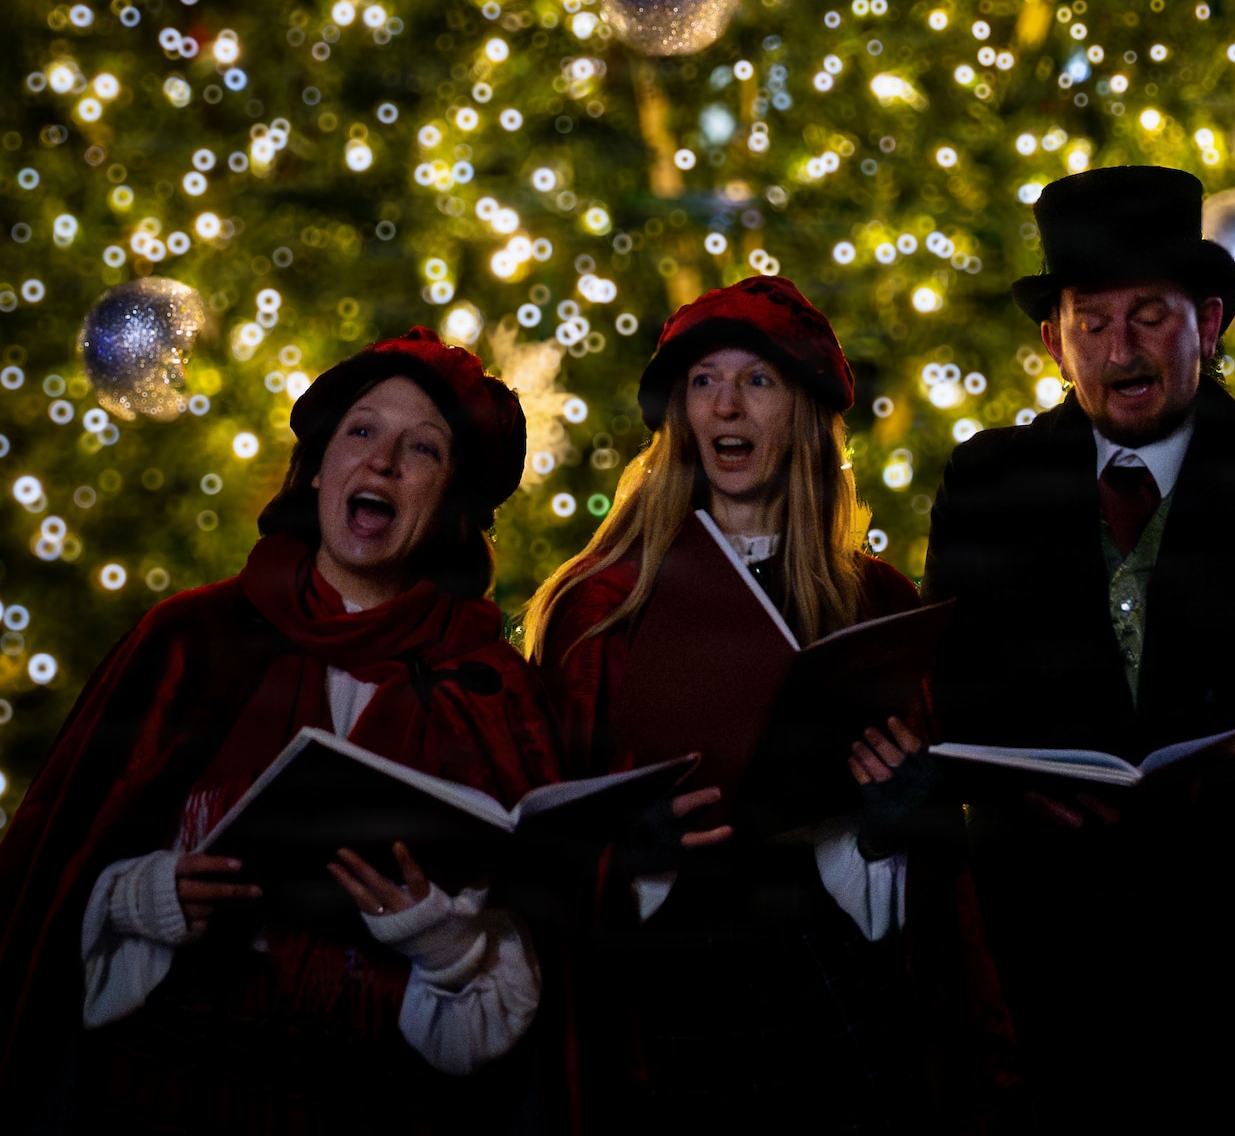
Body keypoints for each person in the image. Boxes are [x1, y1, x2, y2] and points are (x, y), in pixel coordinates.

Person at [0, 327, 563, 1131]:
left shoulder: (493, 693)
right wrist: (147, 895)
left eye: (423, 449)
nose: (381, 462)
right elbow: (51, 888)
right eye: (361, 431)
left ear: (455, 503)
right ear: (321, 464)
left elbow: (544, 986)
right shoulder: (190, 640)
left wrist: (444, 940)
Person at [922, 166, 1235, 1123]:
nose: (1122, 350)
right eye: (1093, 322)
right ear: (1055, 342)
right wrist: (1019, 773)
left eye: (1150, 316)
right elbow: (949, 687)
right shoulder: (988, 482)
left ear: (1206, 325)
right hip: (1039, 945)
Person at [524, 276, 1005, 1132]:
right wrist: (624, 855)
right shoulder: (600, 610)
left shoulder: (877, 602)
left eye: (759, 380)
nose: (728, 405)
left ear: (805, 415)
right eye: (704, 381)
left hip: (833, 990)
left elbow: (928, 903)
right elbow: (537, 836)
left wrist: (891, 825)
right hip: (659, 999)